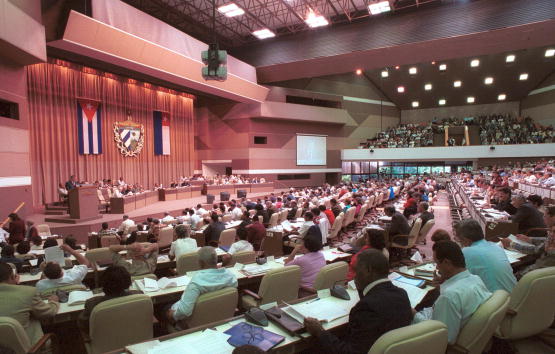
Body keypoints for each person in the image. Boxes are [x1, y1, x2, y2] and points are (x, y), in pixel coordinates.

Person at [304, 249, 412, 353]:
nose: (354, 276)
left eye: (356, 271)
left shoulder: (367, 307)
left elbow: (349, 351)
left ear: (368, 270)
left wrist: (320, 332)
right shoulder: (402, 294)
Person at [413, 241, 492, 344]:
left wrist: (414, 315)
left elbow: (443, 337)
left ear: (447, 263)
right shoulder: (476, 279)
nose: (436, 268)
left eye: (437, 263)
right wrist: (445, 284)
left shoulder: (449, 296)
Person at [166, 247, 237, 328]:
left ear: (201, 263)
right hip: (221, 318)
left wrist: (173, 315)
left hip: (195, 324)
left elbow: (184, 312)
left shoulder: (196, 282)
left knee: (164, 309)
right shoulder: (230, 276)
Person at [0, 262, 59, 346]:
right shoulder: (28, 292)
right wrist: (54, 302)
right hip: (26, 346)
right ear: (12, 277)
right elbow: (48, 313)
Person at [77, 265, 141, 337]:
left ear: (103, 284)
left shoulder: (92, 303)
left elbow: (83, 326)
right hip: (136, 337)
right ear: (128, 282)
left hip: (105, 343)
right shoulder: (139, 296)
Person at [455, 219, 516, 293]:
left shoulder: (467, 251)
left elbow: (458, 279)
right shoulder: (496, 246)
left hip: (495, 300)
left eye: (459, 240)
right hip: (513, 296)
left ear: (465, 239)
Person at [501, 205, 555, 276]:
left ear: (553, 217)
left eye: (545, 216)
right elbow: (545, 240)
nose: (543, 218)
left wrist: (512, 244)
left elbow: (536, 250)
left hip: (538, 272)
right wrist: (530, 239)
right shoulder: (552, 233)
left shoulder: (552, 239)